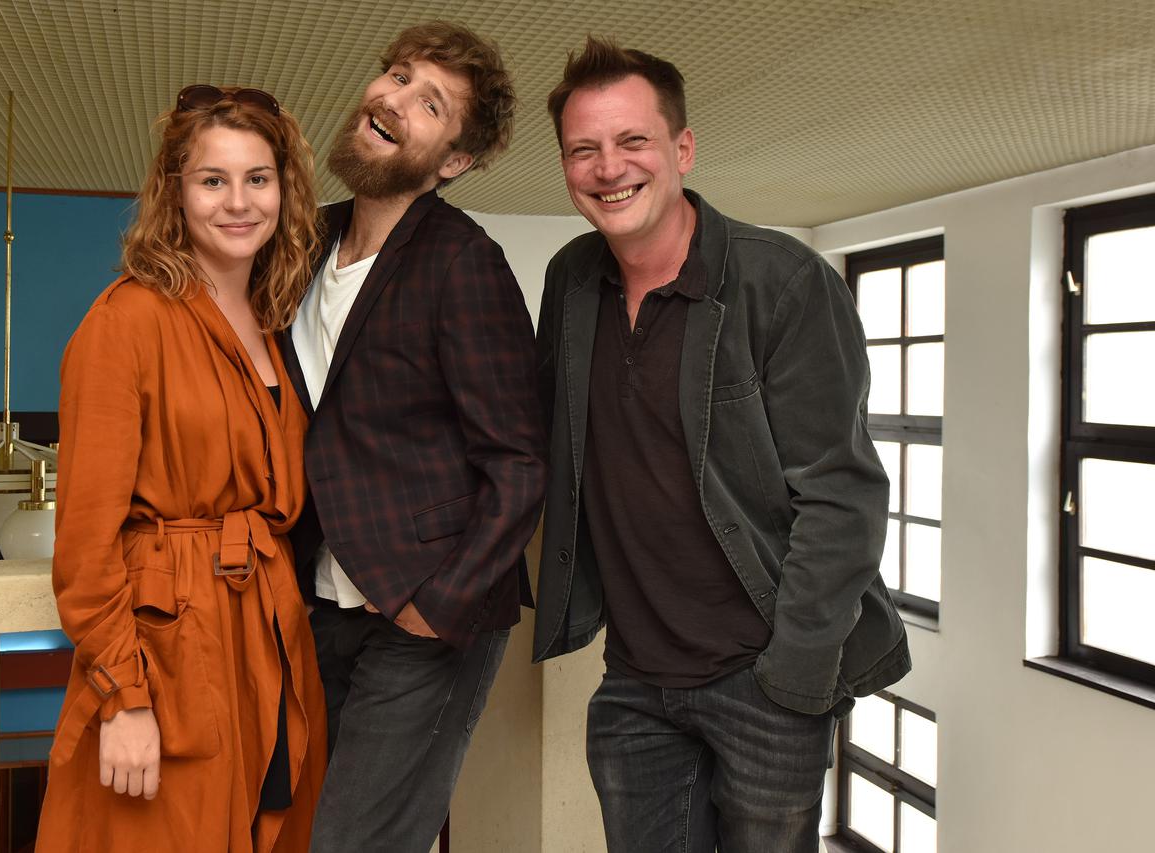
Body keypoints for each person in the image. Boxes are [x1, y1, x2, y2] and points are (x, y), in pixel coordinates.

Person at [532, 38, 911, 852]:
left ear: (682, 149)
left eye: (632, 141)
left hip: (765, 677)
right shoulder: (569, 280)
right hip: (634, 680)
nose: (608, 168)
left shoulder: (785, 283)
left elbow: (842, 496)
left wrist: (795, 677)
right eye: (583, 149)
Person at [276, 22, 545, 853]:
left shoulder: (465, 262)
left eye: (429, 103)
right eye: (396, 76)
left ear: (453, 161)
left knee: (354, 843)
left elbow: (520, 463)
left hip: (424, 614)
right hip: (321, 602)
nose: (394, 99)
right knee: (305, 828)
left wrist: (439, 605)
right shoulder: (304, 242)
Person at [36, 85, 327, 852]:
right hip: (171, 654)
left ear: (284, 191)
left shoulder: (276, 322)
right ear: (175, 192)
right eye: (212, 180)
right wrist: (123, 695)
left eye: (258, 178)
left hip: (269, 640)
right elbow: (85, 543)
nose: (238, 202)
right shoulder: (125, 321)